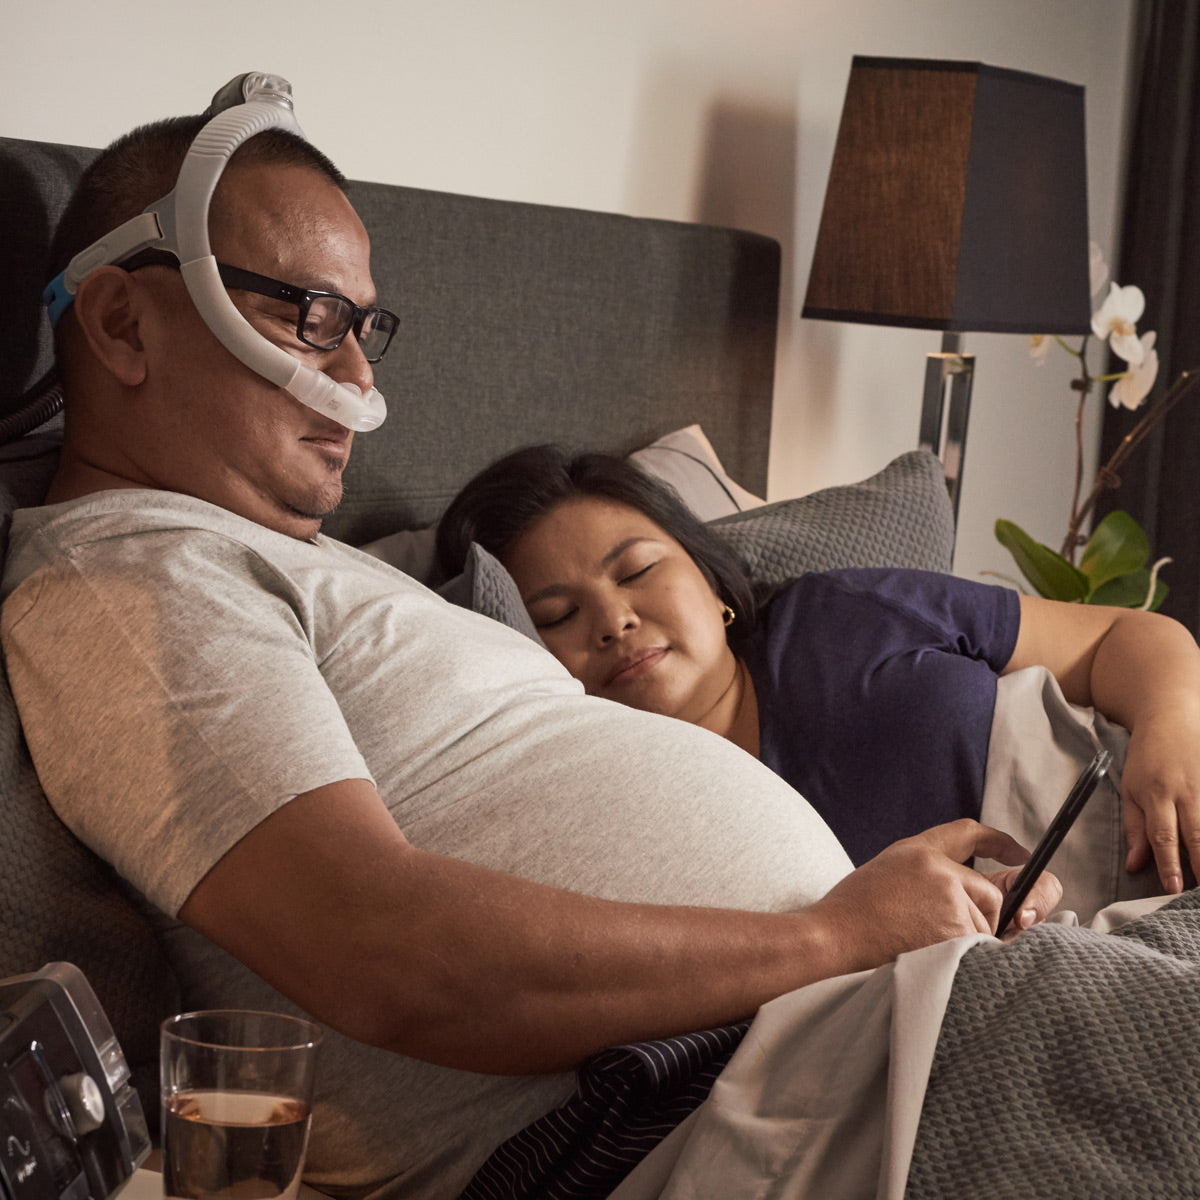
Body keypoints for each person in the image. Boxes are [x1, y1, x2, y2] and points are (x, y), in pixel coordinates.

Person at [0, 114, 1060, 1200]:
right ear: (123, 324)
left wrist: (887, 923)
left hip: (835, 1037)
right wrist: (835, 934)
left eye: (366, 326)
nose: (357, 378)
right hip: (705, 1110)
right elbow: (384, 957)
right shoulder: (133, 582)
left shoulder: (301, 565)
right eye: (310, 316)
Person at [436, 444, 1200, 880]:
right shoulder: (626, 828)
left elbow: (1121, 637)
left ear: (709, 578)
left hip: (1153, 807)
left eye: (636, 570)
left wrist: (1171, 728)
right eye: (557, 617)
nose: (614, 621)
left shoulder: (844, 613)